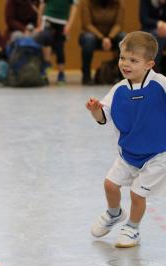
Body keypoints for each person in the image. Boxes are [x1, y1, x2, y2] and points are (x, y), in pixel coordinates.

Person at [86, 31, 166, 248]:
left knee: (137, 194)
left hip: (158, 155)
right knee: (110, 185)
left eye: (133, 60)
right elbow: (103, 118)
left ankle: (132, 228)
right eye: (123, 58)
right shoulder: (119, 89)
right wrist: (95, 110)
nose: (125, 64)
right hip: (128, 154)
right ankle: (114, 213)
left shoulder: (161, 84)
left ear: (149, 64)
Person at [79, 0, 125, 85]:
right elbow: (87, 24)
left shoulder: (119, 4)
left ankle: (122, 76)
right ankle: (86, 76)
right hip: (94, 37)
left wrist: (110, 37)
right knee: (88, 39)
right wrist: (102, 38)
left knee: (123, 37)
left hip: (112, 37)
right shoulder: (87, 3)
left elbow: (118, 25)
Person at [36, 0, 78, 84]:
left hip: (62, 21)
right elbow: (42, 3)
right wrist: (39, 22)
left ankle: (61, 74)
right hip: (48, 18)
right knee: (46, 38)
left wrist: (69, 25)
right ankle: (46, 66)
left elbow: (74, 7)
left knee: (60, 46)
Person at [139, 0, 166, 70]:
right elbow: (144, 19)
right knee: (159, 36)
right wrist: (158, 23)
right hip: (148, 30)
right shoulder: (146, 1)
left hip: (164, 30)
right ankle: (152, 68)